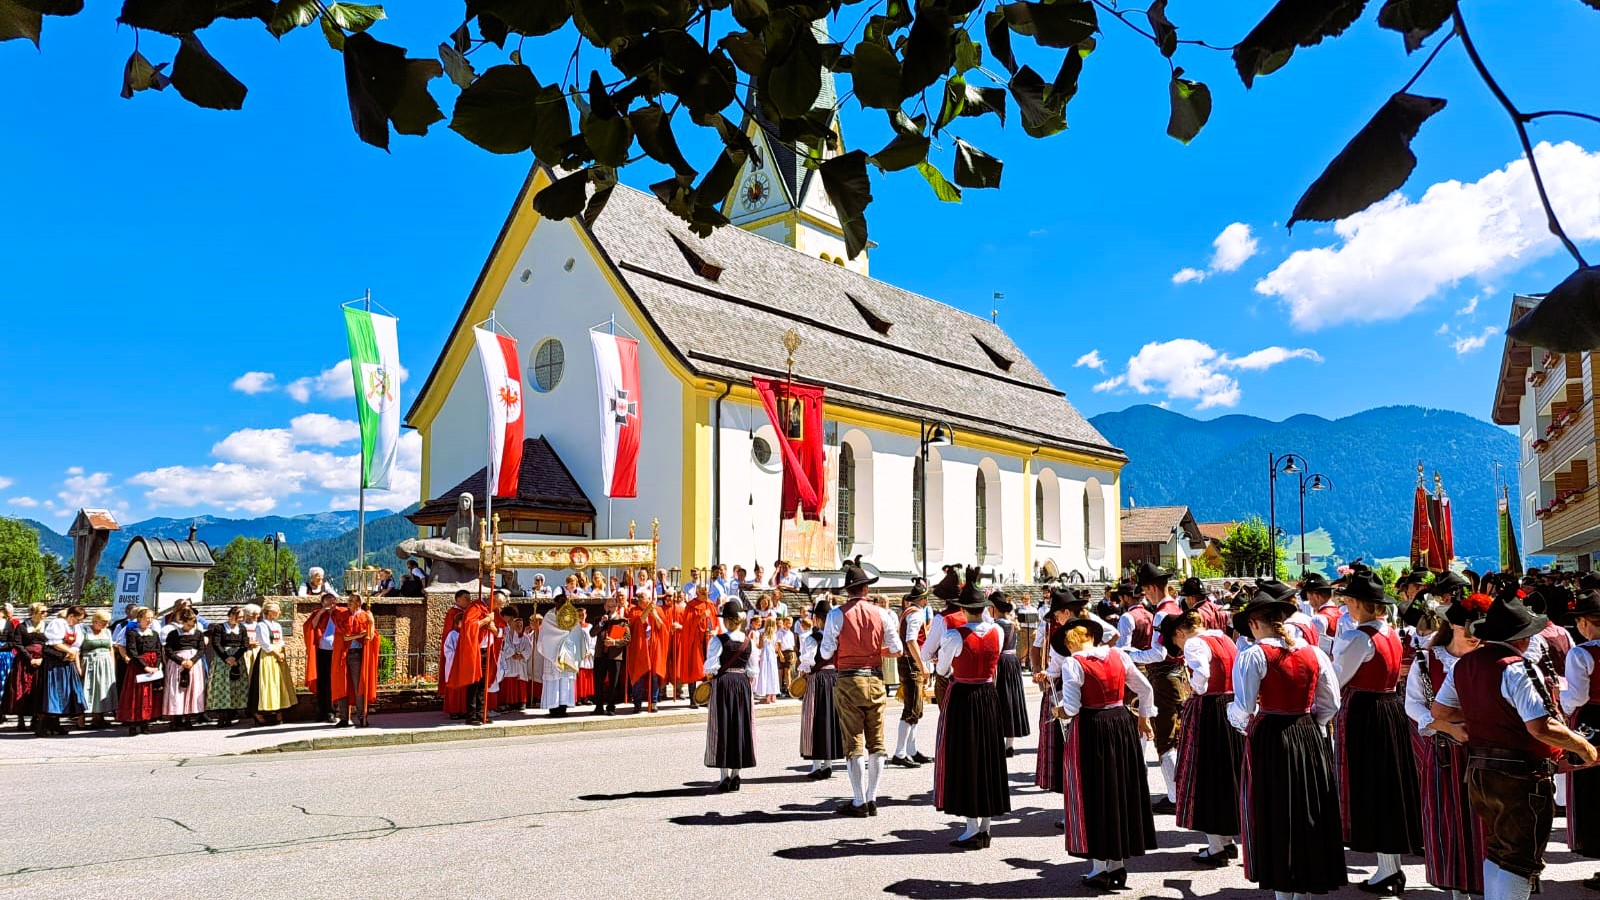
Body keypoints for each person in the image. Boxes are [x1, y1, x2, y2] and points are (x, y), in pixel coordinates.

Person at [1432, 589, 1599, 900]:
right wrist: (1583, 747)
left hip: (1480, 771)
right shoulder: (1517, 667)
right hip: (1520, 776)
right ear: (1521, 638)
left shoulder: (1464, 665)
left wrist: (1485, 713)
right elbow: (1541, 726)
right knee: (1519, 859)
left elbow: (1440, 711)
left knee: (1498, 849)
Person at [1228, 580, 1347, 900]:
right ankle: (1304, 889)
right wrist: (1312, 724)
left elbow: (1244, 707)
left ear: (1255, 623)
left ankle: (1283, 890)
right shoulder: (1314, 653)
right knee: (1308, 808)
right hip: (1308, 733)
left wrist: (1234, 718)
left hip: (1272, 738)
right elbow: (1331, 703)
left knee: (1276, 812)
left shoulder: (1254, 655)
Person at [1329, 571, 1423, 894]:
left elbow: (1336, 680)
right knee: (1387, 787)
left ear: (1358, 603)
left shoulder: (1359, 638)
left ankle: (1388, 869)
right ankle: (1389, 867)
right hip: (1390, 708)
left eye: (1348, 601)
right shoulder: (1391, 633)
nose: (1347, 606)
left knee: (1371, 787)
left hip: (1365, 713)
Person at [1052, 613, 1157, 890]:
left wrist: (1059, 710)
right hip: (1121, 723)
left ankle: (1100, 867)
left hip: (1092, 727)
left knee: (1095, 792)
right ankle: (1117, 863)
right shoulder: (1118, 655)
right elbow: (1145, 689)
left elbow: (1072, 707)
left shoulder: (1074, 663)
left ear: (1070, 644)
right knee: (1119, 789)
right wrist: (1144, 717)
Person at [1405, 590, 1491, 900]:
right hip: (1445, 753)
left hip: (1489, 752)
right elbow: (1413, 704)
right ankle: (1458, 891)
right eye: (1468, 627)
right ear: (1452, 625)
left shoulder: (1491, 658)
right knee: (1449, 822)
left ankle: (1492, 888)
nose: (1473, 635)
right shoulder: (1426, 660)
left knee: (1490, 824)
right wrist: (1446, 726)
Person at [821, 561, 904, 817]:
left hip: (849, 679)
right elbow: (897, 649)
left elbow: (826, 652)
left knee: (854, 741)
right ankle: (872, 797)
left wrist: (849, 649)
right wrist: (874, 651)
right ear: (866, 589)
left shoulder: (836, 614)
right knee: (877, 741)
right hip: (876, 679)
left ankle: (859, 800)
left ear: (848, 590)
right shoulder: (882, 614)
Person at [933, 584, 1010, 850]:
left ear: (964, 610)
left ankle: (971, 827)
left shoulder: (955, 635)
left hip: (964, 697)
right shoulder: (997, 631)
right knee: (987, 757)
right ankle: (985, 826)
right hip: (988, 695)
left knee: (964, 758)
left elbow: (942, 670)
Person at [1171, 609, 1244, 866]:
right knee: (1226, 772)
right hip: (1231, 704)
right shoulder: (1224, 638)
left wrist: (1193, 688)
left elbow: (1201, 673)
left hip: (1209, 708)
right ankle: (1225, 840)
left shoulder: (1194, 643)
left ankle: (1217, 846)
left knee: (1204, 775)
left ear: (1179, 632)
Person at [1128, 562, 1187, 815]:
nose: (1145, 596)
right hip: (1176, 676)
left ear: (1152, 588)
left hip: (1164, 677)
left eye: (1145, 591)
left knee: (1165, 738)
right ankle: (1178, 794)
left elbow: (1158, 653)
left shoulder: (1162, 613)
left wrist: (1129, 654)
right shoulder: (1176, 607)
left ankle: (1175, 797)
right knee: (1173, 735)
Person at [1562, 588, 1600, 887]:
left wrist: (1559, 703)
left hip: (1593, 721)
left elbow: (1577, 696)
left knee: (1594, 791)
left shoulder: (1581, 653)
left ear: (1586, 622)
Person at [704, 600, 758, 792]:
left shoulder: (717, 640)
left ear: (727, 621)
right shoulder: (749, 641)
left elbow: (710, 669)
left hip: (724, 684)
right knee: (740, 727)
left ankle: (724, 777)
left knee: (723, 727)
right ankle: (736, 775)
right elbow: (752, 671)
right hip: (742, 684)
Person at [1032, 589, 1077, 805]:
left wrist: (1046, 673)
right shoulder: (1052, 628)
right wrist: (1043, 672)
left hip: (1070, 687)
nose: (1056, 619)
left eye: (1058, 614)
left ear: (1066, 612)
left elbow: (1056, 667)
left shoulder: (1087, 625)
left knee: (1069, 741)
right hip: (1067, 684)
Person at [799, 598, 844, 778]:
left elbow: (807, 663)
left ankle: (817, 765)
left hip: (817, 680)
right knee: (831, 719)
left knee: (815, 719)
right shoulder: (836, 638)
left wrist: (802, 676)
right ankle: (828, 764)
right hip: (834, 678)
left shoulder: (812, 638)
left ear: (817, 619)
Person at [444, 589, 501, 725]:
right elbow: (469, 626)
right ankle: (471, 716)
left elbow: (498, 631)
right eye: (499, 604)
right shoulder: (475, 607)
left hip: (487, 649)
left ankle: (481, 714)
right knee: (474, 683)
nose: (500, 607)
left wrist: (493, 627)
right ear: (493, 599)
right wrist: (486, 620)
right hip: (476, 650)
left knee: (482, 684)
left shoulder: (491, 611)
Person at [891, 580, 930, 768]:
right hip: (911, 662)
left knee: (917, 708)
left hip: (909, 661)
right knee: (911, 709)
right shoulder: (916, 614)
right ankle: (900, 752)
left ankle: (911, 750)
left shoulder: (909, 612)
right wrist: (922, 665)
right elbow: (911, 640)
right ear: (923, 599)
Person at [988, 591, 1031, 756]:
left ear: (994, 608)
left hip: (1000, 663)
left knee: (999, 700)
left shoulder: (995, 626)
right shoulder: (1012, 624)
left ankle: (998, 741)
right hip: (1012, 662)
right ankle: (1009, 744)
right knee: (1011, 700)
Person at [537, 599, 592, 718]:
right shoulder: (549, 616)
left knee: (565, 682)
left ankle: (563, 708)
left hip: (567, 653)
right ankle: (553, 708)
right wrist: (560, 636)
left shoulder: (572, 616)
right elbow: (546, 634)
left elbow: (577, 633)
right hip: (553, 654)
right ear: (556, 604)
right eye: (559, 603)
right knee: (553, 682)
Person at [37, 605, 87, 736]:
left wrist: (72, 655)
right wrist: (69, 651)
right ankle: (42, 725)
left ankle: (55, 724)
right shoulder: (58, 623)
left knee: (63, 694)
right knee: (52, 693)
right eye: (77, 619)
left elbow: (76, 646)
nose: (78, 622)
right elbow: (55, 643)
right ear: (71, 616)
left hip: (66, 664)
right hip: (53, 663)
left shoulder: (76, 628)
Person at [334, 593, 379, 727]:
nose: (349, 603)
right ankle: (343, 717)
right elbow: (343, 636)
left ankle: (361, 716)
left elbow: (371, 636)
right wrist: (359, 635)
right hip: (343, 654)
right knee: (342, 685)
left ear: (359, 603)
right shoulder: (343, 615)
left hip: (357, 655)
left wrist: (372, 622)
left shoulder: (365, 616)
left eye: (352, 601)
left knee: (358, 686)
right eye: (349, 600)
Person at [118, 606, 164, 735]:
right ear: (139, 619)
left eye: (151, 618)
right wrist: (145, 667)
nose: (149, 620)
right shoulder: (132, 633)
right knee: (135, 695)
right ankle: (133, 724)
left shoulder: (154, 634)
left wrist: (156, 666)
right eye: (147, 618)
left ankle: (145, 723)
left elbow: (158, 651)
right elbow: (132, 651)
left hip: (152, 666)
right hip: (138, 666)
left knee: (149, 695)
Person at [205, 606, 251, 727]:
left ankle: (231, 715)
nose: (240, 619)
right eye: (239, 617)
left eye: (242, 617)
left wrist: (235, 657)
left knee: (236, 687)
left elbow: (245, 644)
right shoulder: (220, 628)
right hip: (223, 659)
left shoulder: (242, 628)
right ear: (231, 615)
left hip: (237, 659)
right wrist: (226, 657)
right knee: (222, 686)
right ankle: (222, 716)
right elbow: (216, 643)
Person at [304, 592, 345, 724]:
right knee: (322, 682)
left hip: (336, 652)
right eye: (327, 601)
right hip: (322, 652)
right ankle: (322, 711)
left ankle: (332, 711)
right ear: (322, 602)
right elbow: (312, 626)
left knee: (332, 682)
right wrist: (322, 611)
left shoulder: (341, 613)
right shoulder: (318, 613)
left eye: (332, 601)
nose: (330, 603)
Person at [626, 589, 669, 713]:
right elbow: (638, 623)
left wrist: (655, 615)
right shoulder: (633, 610)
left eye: (642, 596)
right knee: (638, 676)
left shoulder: (658, 610)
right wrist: (647, 611)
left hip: (653, 648)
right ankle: (637, 703)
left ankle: (654, 702)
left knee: (654, 676)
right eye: (638, 597)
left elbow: (663, 628)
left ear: (650, 599)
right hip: (640, 648)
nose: (639, 598)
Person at [163, 608, 207, 729]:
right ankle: (175, 719)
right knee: (177, 691)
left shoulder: (198, 634)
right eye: (188, 624)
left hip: (193, 664)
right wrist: (180, 661)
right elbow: (168, 650)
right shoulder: (173, 634)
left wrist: (192, 660)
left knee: (192, 690)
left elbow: (202, 649)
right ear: (182, 621)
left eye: (192, 624)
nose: (190, 627)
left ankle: (188, 719)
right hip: (177, 664)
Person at [253, 601, 295, 724]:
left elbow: (281, 640)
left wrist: (282, 652)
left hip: (279, 655)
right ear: (270, 612)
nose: (279, 613)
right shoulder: (261, 625)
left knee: (279, 682)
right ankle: (263, 712)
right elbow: (264, 643)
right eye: (277, 610)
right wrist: (276, 653)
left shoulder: (277, 625)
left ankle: (279, 712)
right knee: (267, 683)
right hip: (268, 656)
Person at [8, 602, 47, 732]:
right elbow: (17, 644)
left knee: (37, 689)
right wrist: (30, 659)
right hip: (24, 662)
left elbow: (49, 643)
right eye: (42, 612)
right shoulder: (22, 627)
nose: (45, 614)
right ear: (34, 613)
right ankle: (21, 719)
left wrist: (42, 658)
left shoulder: (46, 626)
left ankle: (36, 719)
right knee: (21, 688)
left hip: (41, 661)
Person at [591, 595, 631, 715]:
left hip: (614, 655)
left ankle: (611, 706)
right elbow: (592, 633)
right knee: (598, 681)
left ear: (616, 607)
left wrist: (614, 642)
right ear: (604, 607)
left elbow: (627, 638)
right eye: (608, 606)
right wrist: (601, 623)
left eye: (612, 606)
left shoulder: (622, 621)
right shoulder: (599, 619)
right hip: (600, 654)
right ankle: (598, 706)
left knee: (614, 682)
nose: (610, 608)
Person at [78, 609, 118, 728]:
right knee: (87, 689)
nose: (106, 625)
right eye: (104, 622)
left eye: (107, 622)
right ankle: (81, 720)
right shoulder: (84, 630)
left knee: (102, 689)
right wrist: (78, 666)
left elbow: (111, 649)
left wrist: (112, 665)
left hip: (105, 663)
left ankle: (99, 718)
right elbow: (77, 650)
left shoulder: (107, 632)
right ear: (96, 621)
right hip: (89, 662)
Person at [497, 613, 533, 712]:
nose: (519, 627)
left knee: (521, 682)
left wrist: (521, 655)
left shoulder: (525, 637)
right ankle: (508, 702)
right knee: (509, 682)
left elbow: (529, 649)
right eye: (517, 625)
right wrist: (512, 653)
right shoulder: (507, 635)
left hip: (520, 662)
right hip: (510, 662)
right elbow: (505, 646)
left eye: (521, 625)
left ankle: (521, 702)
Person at [753, 617, 780, 703]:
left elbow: (760, 646)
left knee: (765, 673)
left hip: (765, 655)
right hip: (772, 655)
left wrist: (755, 643)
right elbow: (776, 647)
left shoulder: (762, 634)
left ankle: (767, 697)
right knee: (773, 674)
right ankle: (773, 696)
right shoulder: (775, 634)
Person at [0, 603, 15, 727]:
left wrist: (2, 646)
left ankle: (1, 712)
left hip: (5, 657)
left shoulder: (9, 625)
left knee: (4, 683)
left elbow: (13, 642)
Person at [777, 615, 797, 697]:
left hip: (789, 653)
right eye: (787, 623)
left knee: (787, 671)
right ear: (784, 623)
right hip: (782, 652)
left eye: (790, 623)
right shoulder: (780, 632)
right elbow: (778, 645)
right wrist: (780, 655)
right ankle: (779, 689)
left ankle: (788, 689)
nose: (788, 625)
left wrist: (793, 655)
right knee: (780, 671)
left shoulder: (791, 633)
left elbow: (792, 646)